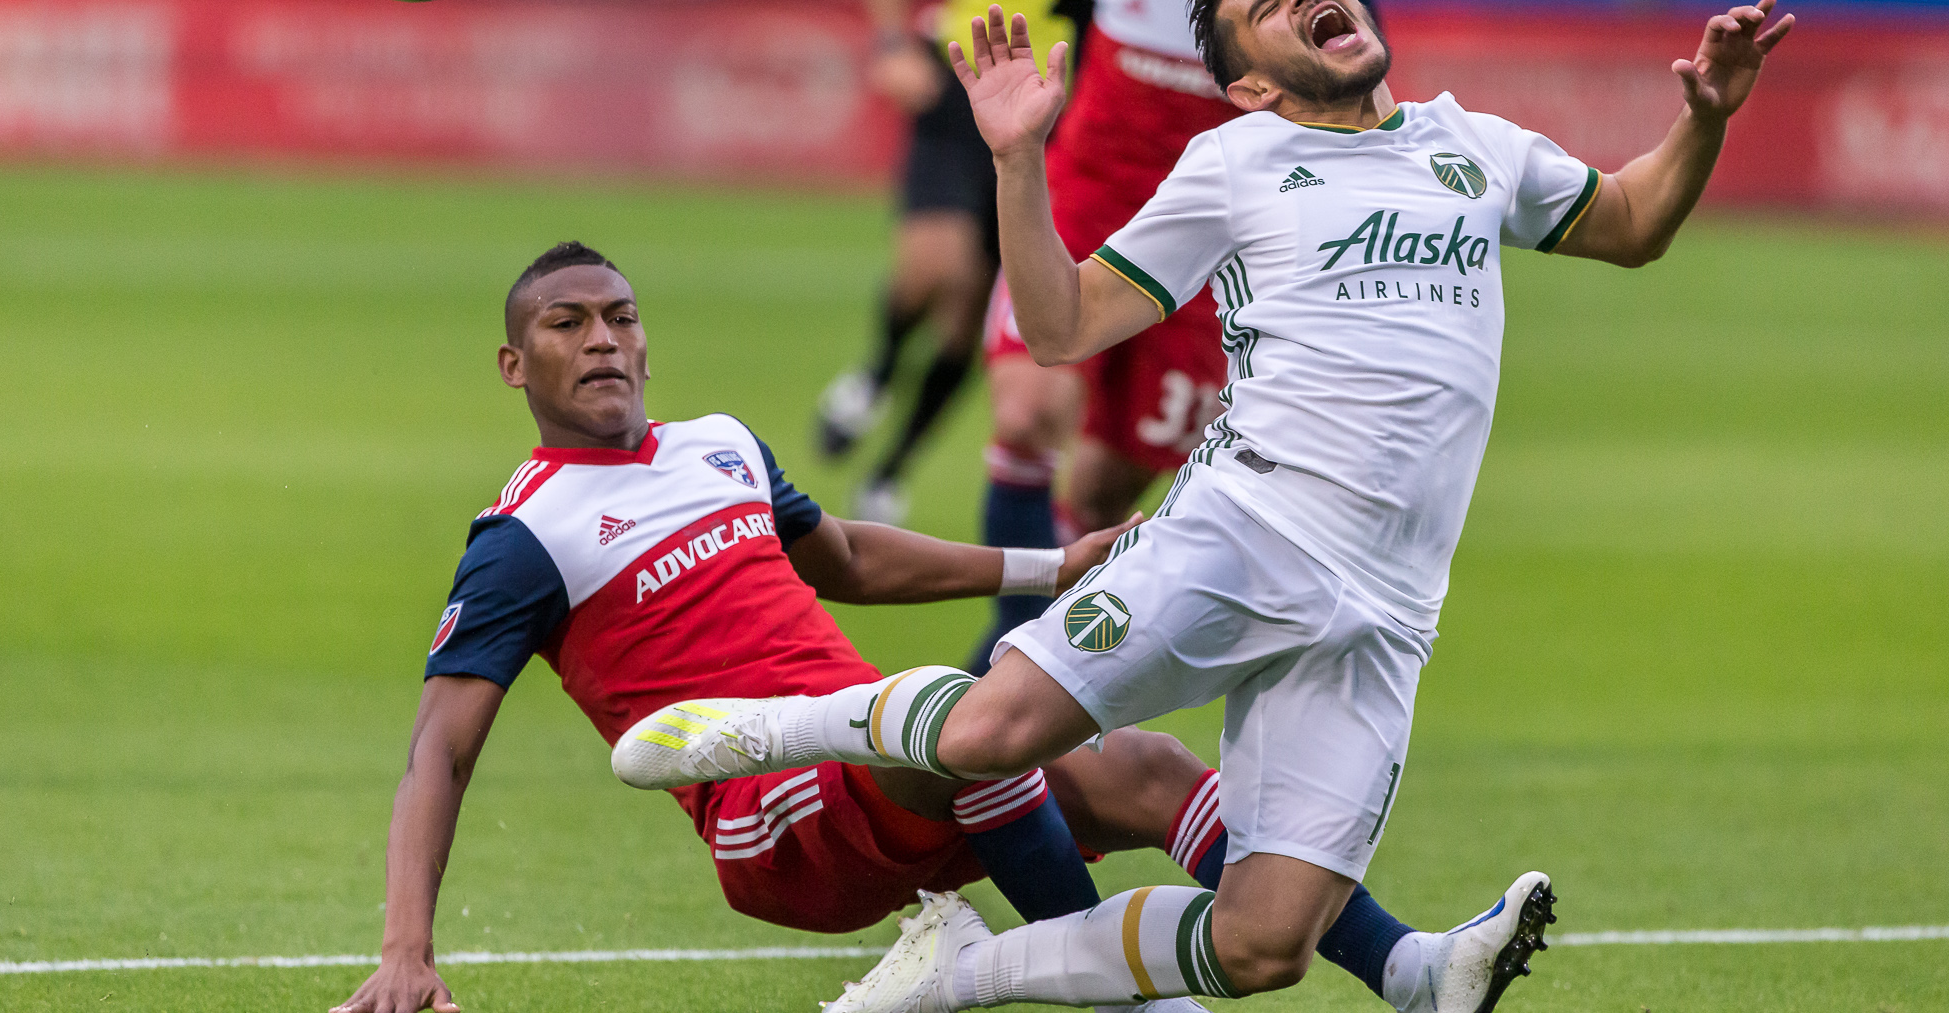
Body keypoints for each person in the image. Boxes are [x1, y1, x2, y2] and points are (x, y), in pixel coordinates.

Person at [619, 0, 1796, 1010]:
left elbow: (1633, 222)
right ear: (1246, 86)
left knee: (1261, 944)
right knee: (988, 731)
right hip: (1242, 529)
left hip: (1385, 608)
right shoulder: (1236, 162)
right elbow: (1061, 322)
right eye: (1270, 4)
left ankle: (959, 973)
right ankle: (754, 731)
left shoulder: (1473, 145)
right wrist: (1017, 159)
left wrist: (1703, 118)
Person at [327, 241, 1399, 1013]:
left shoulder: (717, 447)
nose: (602, 338)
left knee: (1149, 770)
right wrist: (404, 949)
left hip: (885, 750)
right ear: (516, 365)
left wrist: (1046, 563)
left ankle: (1406, 970)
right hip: (775, 823)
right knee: (954, 720)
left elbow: (842, 555)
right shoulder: (524, 534)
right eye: (566, 325)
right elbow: (441, 748)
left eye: (618, 314)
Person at [969, 0, 1371, 672]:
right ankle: (999, 652)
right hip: (1083, 208)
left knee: (1110, 483)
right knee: (1030, 410)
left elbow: (1347, 118)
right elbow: (1070, 36)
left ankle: (1035, 656)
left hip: (1210, 262)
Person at [813, 0, 1188, 525]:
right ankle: (874, 371)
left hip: (1074, 109)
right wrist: (885, 43)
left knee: (983, 305)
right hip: (970, 78)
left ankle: (894, 464)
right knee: (932, 269)